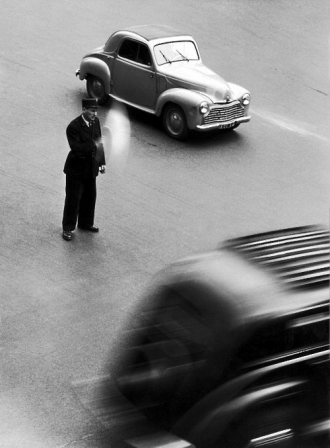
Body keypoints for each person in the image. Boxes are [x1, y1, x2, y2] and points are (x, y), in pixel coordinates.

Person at [62, 98, 106, 241]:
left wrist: (102, 162)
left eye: (96, 110)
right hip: (76, 169)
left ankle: (86, 223)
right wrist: (93, 144)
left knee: (89, 197)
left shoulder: (96, 122)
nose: (95, 113)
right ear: (84, 110)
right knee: (73, 199)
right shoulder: (73, 127)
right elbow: (77, 149)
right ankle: (68, 228)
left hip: (90, 167)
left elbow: (100, 142)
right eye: (92, 110)